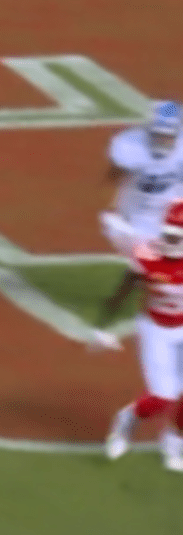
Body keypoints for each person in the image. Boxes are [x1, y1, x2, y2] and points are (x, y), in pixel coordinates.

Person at [94, 201, 183, 469]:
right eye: (168, 234)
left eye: (176, 236)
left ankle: (174, 443)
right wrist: (102, 327)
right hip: (156, 329)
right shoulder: (147, 255)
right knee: (162, 397)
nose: (170, 240)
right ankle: (127, 421)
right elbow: (123, 290)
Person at [100, 100, 183, 255]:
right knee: (143, 265)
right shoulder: (131, 146)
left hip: (172, 218)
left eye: (168, 136)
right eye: (158, 135)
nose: (163, 140)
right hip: (136, 216)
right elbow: (114, 175)